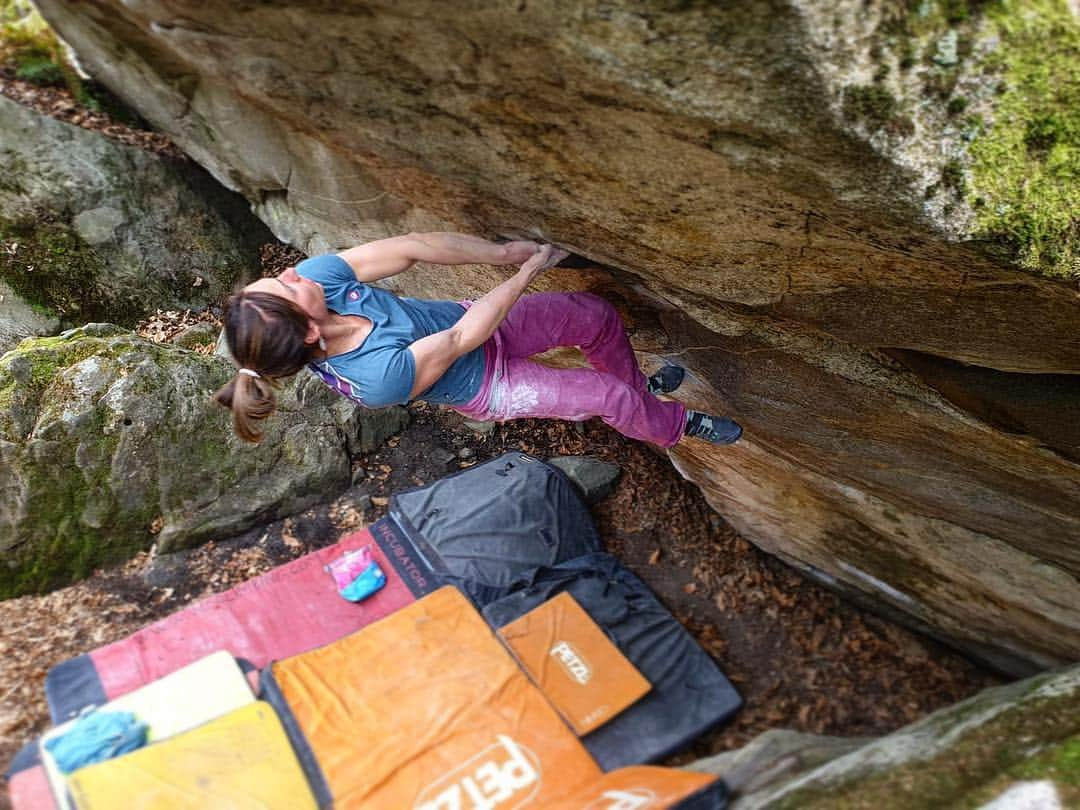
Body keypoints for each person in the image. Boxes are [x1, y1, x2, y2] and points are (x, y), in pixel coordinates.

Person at [213, 232, 742, 448]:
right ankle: (674, 425)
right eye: (286, 286)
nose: (292, 272)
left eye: (281, 277)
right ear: (308, 330)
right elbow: (464, 338)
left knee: (596, 315)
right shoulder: (373, 378)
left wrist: (503, 253)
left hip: (469, 324)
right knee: (609, 398)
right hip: (488, 381)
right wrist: (527, 273)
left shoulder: (318, 284)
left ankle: (643, 397)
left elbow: (412, 246)